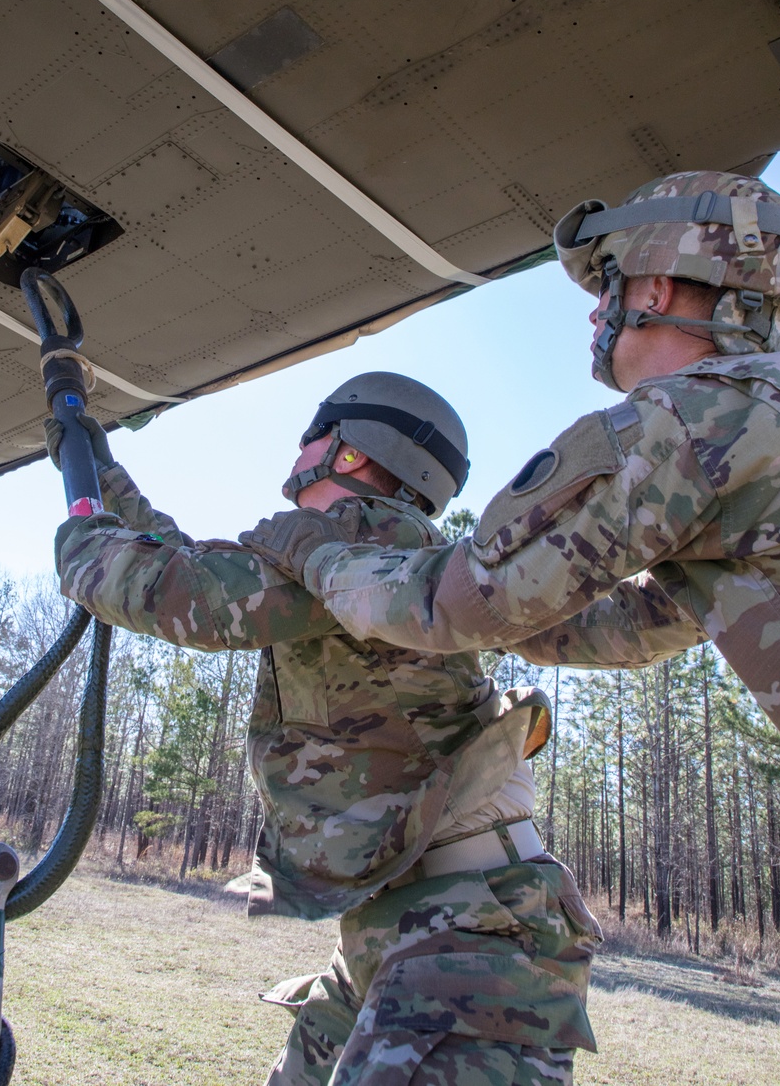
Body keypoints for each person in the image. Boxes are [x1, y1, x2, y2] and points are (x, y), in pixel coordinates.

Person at [49, 373, 601, 1086]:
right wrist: (103, 473)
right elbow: (190, 564)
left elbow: (171, 591)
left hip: (469, 939)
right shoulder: (358, 548)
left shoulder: (365, 539)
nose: (297, 448)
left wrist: (85, 523)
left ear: (349, 454)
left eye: (312, 434)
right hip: (426, 919)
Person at [243, 170, 780, 738]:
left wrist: (318, 557)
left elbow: (474, 599)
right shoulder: (753, 417)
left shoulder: (696, 417)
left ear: (655, 288)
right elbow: (634, 624)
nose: (597, 312)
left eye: (608, 284)